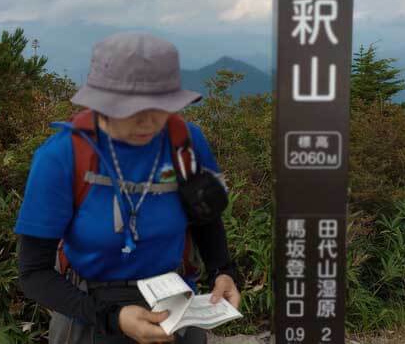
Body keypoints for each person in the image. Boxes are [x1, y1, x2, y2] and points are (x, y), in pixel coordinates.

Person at [14, 32, 240, 344]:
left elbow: (205, 218)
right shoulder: (61, 157)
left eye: (161, 107)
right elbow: (33, 272)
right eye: (131, 110)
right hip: (89, 310)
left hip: (175, 306)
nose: (149, 123)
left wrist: (222, 272)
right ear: (100, 104)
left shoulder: (185, 144)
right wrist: (112, 317)